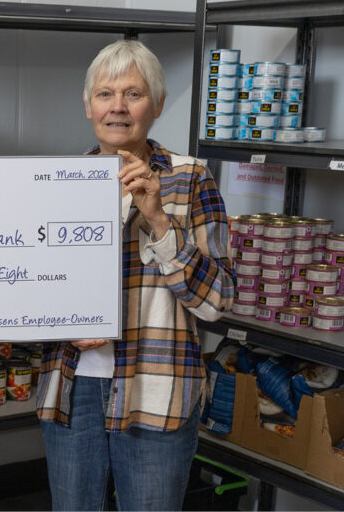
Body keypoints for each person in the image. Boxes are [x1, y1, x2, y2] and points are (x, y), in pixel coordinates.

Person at [36, 39, 235, 511]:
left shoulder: (192, 181)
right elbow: (30, 288)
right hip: (73, 386)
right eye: (105, 94)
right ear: (88, 106)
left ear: (159, 105)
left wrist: (162, 224)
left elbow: (218, 301)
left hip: (157, 387)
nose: (118, 107)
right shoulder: (57, 181)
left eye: (134, 94)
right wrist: (58, 321)